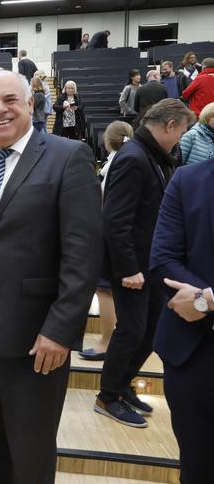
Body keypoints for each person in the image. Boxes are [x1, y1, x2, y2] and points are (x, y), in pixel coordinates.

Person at [0, 70, 102, 484]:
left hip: (36, 340)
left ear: (31, 104)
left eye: (10, 100)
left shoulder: (69, 156)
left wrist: (61, 331)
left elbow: (82, 255)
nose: (0, 110)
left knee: (30, 453)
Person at [96, 99, 195, 428]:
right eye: (181, 131)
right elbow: (115, 221)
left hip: (147, 265)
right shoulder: (134, 158)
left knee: (150, 331)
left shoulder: (150, 156)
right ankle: (107, 395)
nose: (180, 138)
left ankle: (123, 386)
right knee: (132, 331)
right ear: (169, 125)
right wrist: (128, 270)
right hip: (131, 268)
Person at [150, 156, 214, 484]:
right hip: (194, 353)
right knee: (196, 468)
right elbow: (162, 261)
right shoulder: (187, 180)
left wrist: (208, 300)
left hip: (199, 316)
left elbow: (201, 299)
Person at [79, 121, 133, 361]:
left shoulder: (117, 162)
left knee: (105, 291)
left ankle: (106, 341)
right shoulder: (122, 160)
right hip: (116, 232)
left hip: (109, 231)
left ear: (108, 140)